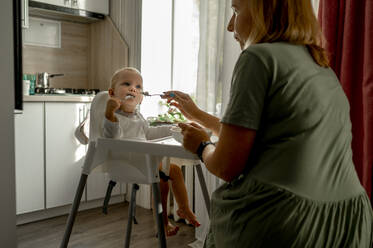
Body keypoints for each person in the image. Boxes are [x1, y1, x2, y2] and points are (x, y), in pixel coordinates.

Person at [162, 0, 373, 247]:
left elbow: (226, 166)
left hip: (286, 219)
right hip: (348, 219)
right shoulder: (319, 65)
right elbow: (265, 136)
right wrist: (197, 114)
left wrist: (201, 146)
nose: (231, 26)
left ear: (264, 9)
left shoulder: (259, 56)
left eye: (235, 10)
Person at [103, 67, 200, 236]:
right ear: (112, 93)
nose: (133, 88)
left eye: (138, 87)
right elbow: (110, 137)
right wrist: (109, 112)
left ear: (141, 98)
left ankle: (180, 210)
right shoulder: (114, 116)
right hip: (125, 162)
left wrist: (172, 129)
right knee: (164, 175)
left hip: (143, 161)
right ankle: (165, 221)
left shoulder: (139, 117)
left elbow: (149, 134)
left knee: (172, 172)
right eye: (127, 84)